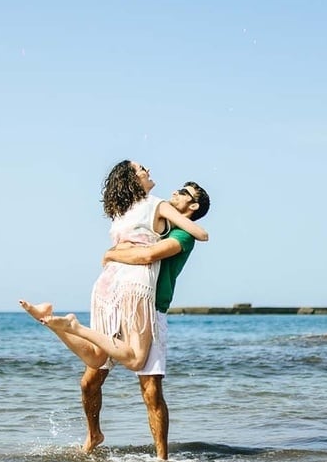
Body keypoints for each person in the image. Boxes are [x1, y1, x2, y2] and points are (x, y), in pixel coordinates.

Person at [20, 160, 208, 373]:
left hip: (107, 281)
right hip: (136, 282)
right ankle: (74, 326)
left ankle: (54, 323)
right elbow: (201, 234)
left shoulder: (121, 211)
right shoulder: (158, 204)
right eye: (141, 169)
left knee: (96, 358)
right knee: (136, 359)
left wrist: (110, 254)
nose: (148, 170)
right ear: (134, 179)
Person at [80, 179, 210, 460]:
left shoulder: (183, 237)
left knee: (150, 390)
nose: (175, 192)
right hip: (122, 305)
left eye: (184, 193)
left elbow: (148, 255)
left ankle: (161, 460)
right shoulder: (156, 224)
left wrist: (112, 253)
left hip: (151, 310)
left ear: (193, 206)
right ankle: (94, 435)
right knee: (89, 382)